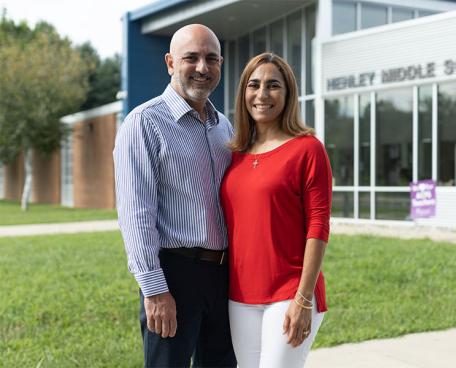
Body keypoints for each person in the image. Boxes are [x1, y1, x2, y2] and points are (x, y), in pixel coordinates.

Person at [113, 24, 236, 368]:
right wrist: (154, 289)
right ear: (170, 62)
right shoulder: (143, 123)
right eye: (191, 58)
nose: (202, 67)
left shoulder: (223, 127)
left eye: (211, 58)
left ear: (220, 64)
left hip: (224, 275)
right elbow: (136, 213)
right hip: (174, 275)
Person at [220, 53, 333, 368]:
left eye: (273, 85)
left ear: (288, 94)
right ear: (244, 93)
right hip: (240, 294)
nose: (262, 94)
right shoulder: (234, 154)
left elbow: (318, 227)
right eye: (254, 85)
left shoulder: (308, 149)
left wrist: (303, 298)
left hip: (290, 291)